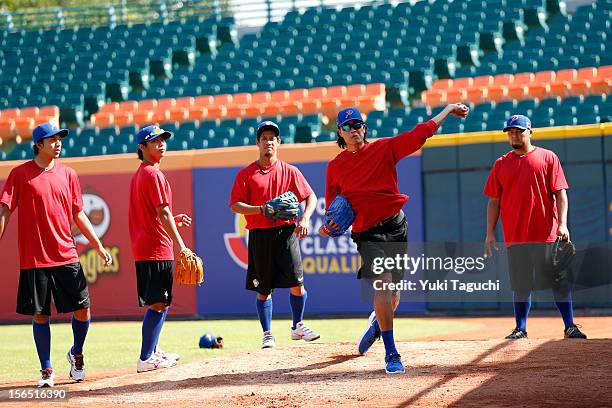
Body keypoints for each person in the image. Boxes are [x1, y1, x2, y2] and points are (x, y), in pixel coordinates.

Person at [324, 104, 469, 374]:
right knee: (383, 284)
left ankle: (378, 325)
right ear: (340, 133)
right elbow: (332, 206)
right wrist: (328, 225)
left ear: (364, 129)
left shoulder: (383, 148)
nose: (354, 130)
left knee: (393, 293)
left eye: (358, 125)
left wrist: (447, 110)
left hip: (395, 226)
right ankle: (392, 353)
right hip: (367, 233)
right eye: (348, 126)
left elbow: (420, 133)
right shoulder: (335, 167)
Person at [0, 122, 112, 387]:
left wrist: (98, 245)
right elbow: (5, 211)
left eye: (60, 138)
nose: (58, 143)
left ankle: (77, 353)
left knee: (83, 309)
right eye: (52, 139)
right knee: (40, 315)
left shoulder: (69, 174)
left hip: (66, 254)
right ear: (38, 144)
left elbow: (79, 214)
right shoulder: (19, 174)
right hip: (35, 258)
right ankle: (47, 370)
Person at [484, 114, 587, 340]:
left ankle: (570, 326)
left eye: (519, 131)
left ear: (530, 132)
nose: (514, 135)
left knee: (559, 281)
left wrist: (563, 224)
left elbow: (561, 194)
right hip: (516, 236)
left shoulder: (548, 157)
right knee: (521, 285)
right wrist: (490, 233)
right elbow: (494, 201)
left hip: (547, 235)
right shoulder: (501, 164)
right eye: (511, 132)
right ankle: (520, 328)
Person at [230, 120, 320, 348]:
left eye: (272, 138)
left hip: (287, 232)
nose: (268, 142)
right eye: (264, 138)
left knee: (297, 283)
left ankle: (297, 326)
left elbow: (311, 197)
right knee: (263, 288)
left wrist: (306, 218)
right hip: (260, 234)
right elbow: (235, 205)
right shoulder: (246, 174)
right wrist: (260, 209)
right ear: (257, 143)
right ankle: (267, 333)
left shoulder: (290, 171)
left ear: (279, 142)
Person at [129, 125, 192, 373]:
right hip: (155, 248)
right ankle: (146, 357)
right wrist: (183, 245)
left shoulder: (142, 173)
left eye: (163, 139)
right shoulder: (153, 174)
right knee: (158, 303)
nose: (161, 144)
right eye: (154, 141)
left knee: (162, 302)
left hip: (148, 244)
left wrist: (172, 221)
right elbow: (162, 212)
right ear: (142, 148)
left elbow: (155, 215)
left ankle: (153, 350)